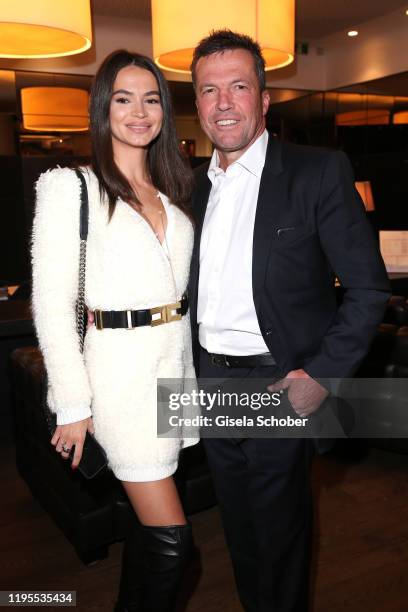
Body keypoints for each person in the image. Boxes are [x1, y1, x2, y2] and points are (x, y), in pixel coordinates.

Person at [188, 30, 391, 611]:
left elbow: (367, 287)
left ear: (265, 99)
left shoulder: (317, 171)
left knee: (281, 535)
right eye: (209, 90)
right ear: (198, 104)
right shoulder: (189, 188)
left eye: (238, 87)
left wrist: (321, 376)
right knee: (241, 533)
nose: (223, 103)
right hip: (211, 383)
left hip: (282, 382)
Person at [31, 50, 198, 612]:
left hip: (172, 381)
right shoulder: (71, 188)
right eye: (123, 98)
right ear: (102, 108)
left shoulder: (173, 197)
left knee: (151, 536)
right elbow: (53, 305)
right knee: (174, 541)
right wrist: (73, 404)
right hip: (119, 386)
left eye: (151, 99)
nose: (139, 112)